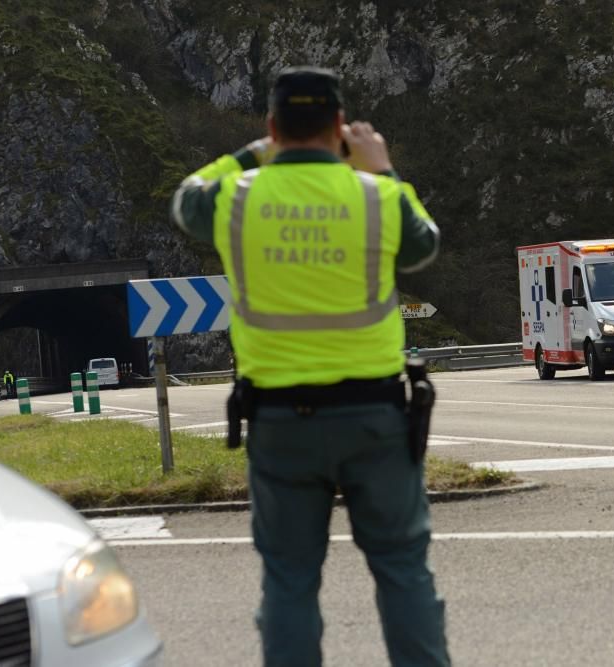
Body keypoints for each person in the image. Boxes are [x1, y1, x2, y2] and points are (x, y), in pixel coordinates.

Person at [170, 66, 449, 666]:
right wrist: (381, 168)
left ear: (273, 127)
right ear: (340, 128)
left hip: (280, 422)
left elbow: (185, 199)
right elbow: (424, 245)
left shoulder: (236, 198)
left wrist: (251, 153)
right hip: (374, 416)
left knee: (290, 581)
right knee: (402, 569)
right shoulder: (376, 196)